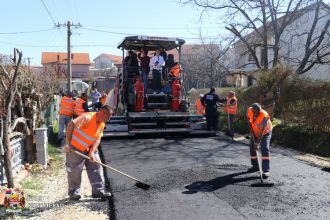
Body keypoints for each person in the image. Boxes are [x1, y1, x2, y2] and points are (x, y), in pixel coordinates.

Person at [65, 105, 113, 200]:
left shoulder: (102, 123)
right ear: (102, 113)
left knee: (96, 166)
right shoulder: (87, 117)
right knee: (75, 170)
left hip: (89, 148)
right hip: (76, 148)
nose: (109, 118)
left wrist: (91, 152)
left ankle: (98, 191)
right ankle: (74, 192)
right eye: (108, 116)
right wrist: (68, 144)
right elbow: (70, 126)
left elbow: (97, 139)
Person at [246, 103, 273, 179]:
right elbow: (248, 119)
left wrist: (257, 143)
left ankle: (266, 170)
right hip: (255, 131)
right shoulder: (249, 110)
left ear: (260, 110)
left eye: (257, 112)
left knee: (264, 148)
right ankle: (255, 166)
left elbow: (261, 132)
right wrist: (251, 130)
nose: (255, 114)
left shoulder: (264, 116)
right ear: (252, 110)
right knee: (252, 148)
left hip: (265, 132)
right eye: (254, 112)